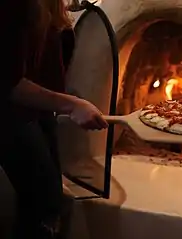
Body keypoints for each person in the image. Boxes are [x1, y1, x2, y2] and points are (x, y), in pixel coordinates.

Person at [1, 0, 109, 238]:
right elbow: (8, 83)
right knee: (44, 203)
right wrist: (71, 105)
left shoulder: (50, 5)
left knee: (48, 201)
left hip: (35, 109)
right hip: (8, 113)